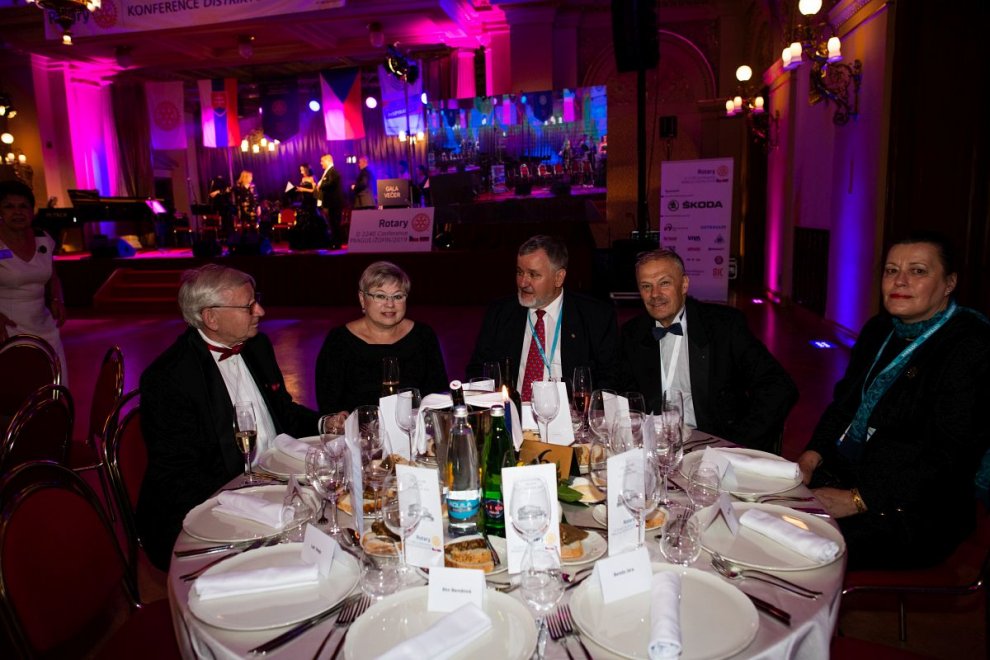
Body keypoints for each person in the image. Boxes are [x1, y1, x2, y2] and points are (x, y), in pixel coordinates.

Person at [797, 233, 990, 570]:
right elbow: (845, 404)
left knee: (798, 547)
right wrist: (811, 458)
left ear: (949, 283)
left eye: (918, 271)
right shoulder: (879, 329)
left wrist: (858, 499)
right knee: (763, 514)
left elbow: (949, 456)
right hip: (856, 473)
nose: (900, 281)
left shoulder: (971, 346)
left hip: (918, 507)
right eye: (891, 270)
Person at [137, 264, 323, 570]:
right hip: (210, 508)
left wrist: (325, 423)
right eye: (248, 306)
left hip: (273, 488)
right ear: (211, 317)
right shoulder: (169, 379)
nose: (260, 311)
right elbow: (180, 476)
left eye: (256, 300)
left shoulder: (257, 346)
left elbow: (282, 412)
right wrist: (257, 499)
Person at [617, 248, 797, 452]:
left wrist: (739, 444)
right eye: (646, 286)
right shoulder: (633, 332)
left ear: (684, 284)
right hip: (656, 445)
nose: (655, 294)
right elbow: (625, 393)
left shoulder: (724, 326)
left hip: (714, 444)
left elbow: (779, 386)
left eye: (664, 283)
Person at [467, 235, 619, 400]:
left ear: (558, 278)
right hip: (512, 410)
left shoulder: (596, 316)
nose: (523, 282)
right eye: (519, 272)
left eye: (533, 275)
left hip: (570, 411)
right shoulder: (500, 313)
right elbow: (478, 370)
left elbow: (610, 380)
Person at [316, 261, 448, 415]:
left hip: (414, 427)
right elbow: (329, 406)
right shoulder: (339, 341)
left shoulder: (423, 336)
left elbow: (438, 396)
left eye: (398, 296)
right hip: (359, 429)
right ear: (362, 298)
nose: (390, 304)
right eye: (380, 296)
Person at [0, 180, 68, 382]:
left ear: (32, 211)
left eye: (23, 206)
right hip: (6, 326)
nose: (17, 212)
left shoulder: (43, 238)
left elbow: (53, 276)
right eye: (9, 206)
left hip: (43, 324)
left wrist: (56, 299)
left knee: (52, 384)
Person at [317, 154, 344, 248]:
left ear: (327, 161)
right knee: (332, 223)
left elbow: (331, 183)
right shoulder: (329, 172)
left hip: (334, 203)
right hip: (331, 203)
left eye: (322, 161)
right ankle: (334, 242)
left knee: (335, 223)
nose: (321, 163)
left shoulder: (333, 171)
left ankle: (337, 243)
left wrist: (321, 185)